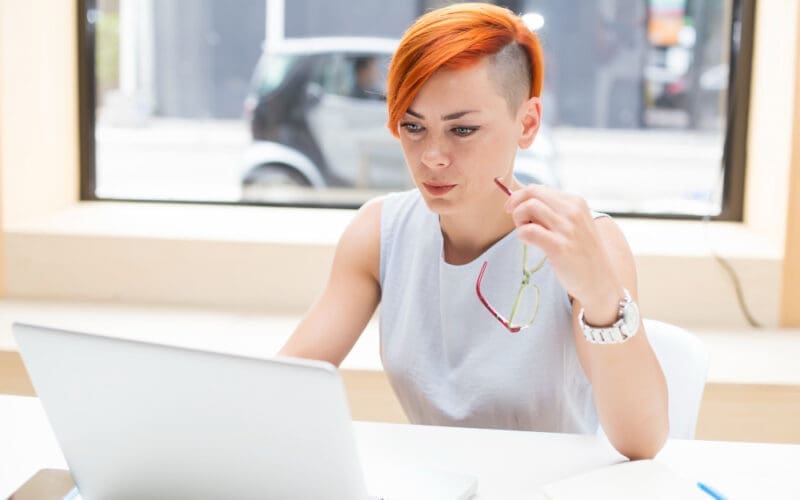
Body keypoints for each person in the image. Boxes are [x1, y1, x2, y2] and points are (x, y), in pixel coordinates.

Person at [279, 2, 668, 460]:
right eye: (413, 126)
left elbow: (642, 442)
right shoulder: (379, 232)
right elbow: (286, 386)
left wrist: (602, 297)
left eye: (462, 129)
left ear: (527, 123)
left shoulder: (584, 241)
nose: (432, 157)